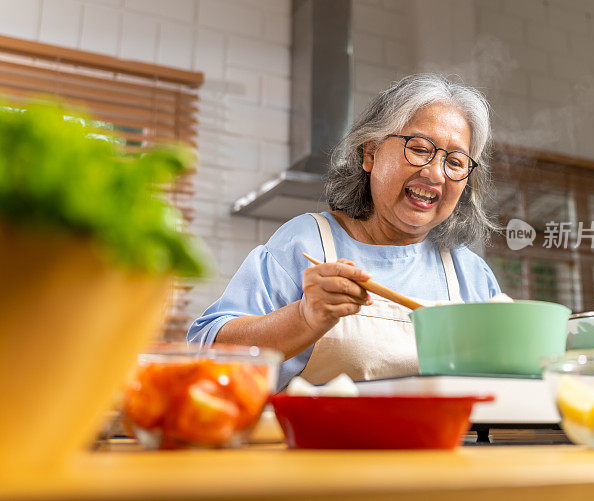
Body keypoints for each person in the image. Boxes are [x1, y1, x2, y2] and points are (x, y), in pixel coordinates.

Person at [188, 73, 501, 389]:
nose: (435, 173)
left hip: (445, 440)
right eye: (419, 148)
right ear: (370, 153)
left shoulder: (468, 272)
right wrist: (304, 317)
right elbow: (207, 352)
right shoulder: (307, 242)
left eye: (456, 162)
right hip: (323, 438)